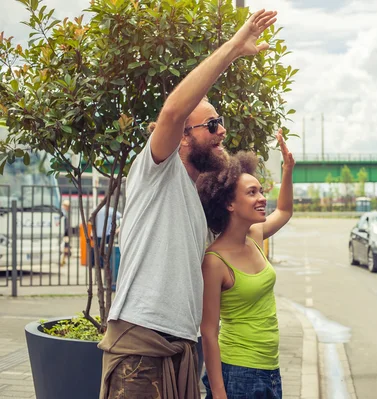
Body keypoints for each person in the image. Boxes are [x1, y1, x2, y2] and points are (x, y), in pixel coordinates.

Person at [98, 9, 278, 399]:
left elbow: (257, 228)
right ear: (183, 136)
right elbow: (174, 110)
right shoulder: (156, 171)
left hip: (181, 348)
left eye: (221, 122)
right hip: (140, 344)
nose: (222, 131)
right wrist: (233, 49)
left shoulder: (198, 200)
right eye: (211, 125)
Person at [198, 129, 295, 399]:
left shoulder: (254, 236)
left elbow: (284, 211)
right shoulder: (214, 261)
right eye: (252, 193)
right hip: (238, 373)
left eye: (261, 191)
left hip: (269, 369)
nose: (262, 198)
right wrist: (218, 392)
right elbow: (208, 331)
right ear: (229, 203)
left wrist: (288, 170)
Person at [60, 200, 71, 267]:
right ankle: (62, 260)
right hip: (64, 232)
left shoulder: (64, 212)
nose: (68, 208)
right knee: (65, 246)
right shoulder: (62, 212)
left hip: (64, 232)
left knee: (66, 245)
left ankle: (63, 260)